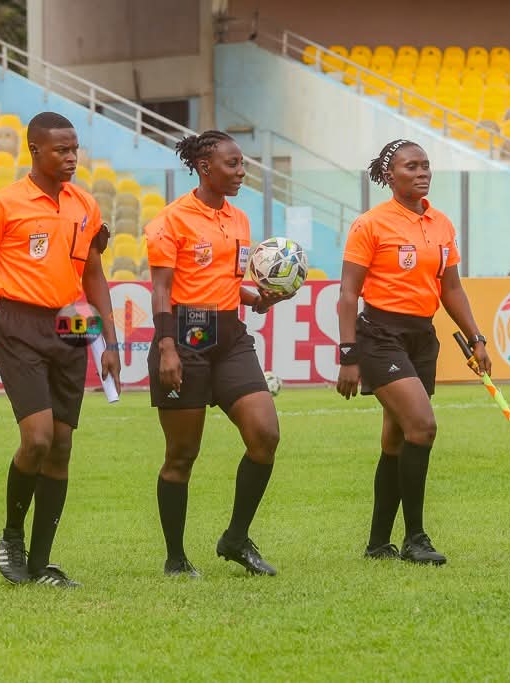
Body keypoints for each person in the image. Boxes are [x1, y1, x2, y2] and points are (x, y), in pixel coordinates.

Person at [0, 111, 121, 588]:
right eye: (61, 150)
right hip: (18, 323)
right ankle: (12, 535)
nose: (71, 158)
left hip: (70, 324)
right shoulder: (3, 203)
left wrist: (110, 341)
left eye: (75, 149)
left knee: (62, 445)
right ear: (35, 150)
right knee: (37, 439)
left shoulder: (84, 204)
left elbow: (93, 274)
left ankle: (41, 563)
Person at [336, 139, 492, 565]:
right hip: (379, 336)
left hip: (422, 336)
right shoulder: (370, 224)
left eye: (425, 165)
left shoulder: (441, 224)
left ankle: (377, 544)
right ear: (390, 176)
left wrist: (476, 337)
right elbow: (348, 294)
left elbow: (451, 288)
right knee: (422, 427)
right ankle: (415, 538)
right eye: (411, 166)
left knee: (396, 438)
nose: (422, 172)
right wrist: (348, 355)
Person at [145, 130, 293, 578]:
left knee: (265, 435)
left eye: (242, 163)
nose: (241, 171)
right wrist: (167, 346)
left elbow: (228, 282)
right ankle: (176, 558)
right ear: (205, 167)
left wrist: (258, 298)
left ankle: (236, 538)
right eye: (233, 164)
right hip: (186, 333)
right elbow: (162, 289)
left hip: (229, 334)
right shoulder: (171, 220)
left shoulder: (239, 219)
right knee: (182, 453)